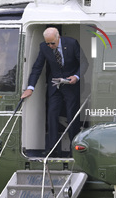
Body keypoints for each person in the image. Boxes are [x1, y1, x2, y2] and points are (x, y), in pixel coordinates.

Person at [21, 27, 88, 156]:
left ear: (58, 37)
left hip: (71, 84)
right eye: (48, 43)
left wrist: (76, 76)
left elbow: (84, 63)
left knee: (72, 116)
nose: (50, 46)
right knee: (51, 115)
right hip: (54, 85)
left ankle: (73, 150)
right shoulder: (44, 47)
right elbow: (37, 68)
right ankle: (51, 149)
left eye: (53, 43)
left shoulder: (72, 43)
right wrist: (30, 88)